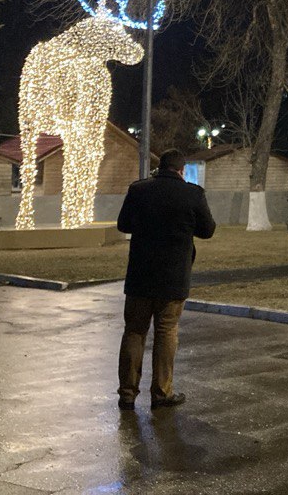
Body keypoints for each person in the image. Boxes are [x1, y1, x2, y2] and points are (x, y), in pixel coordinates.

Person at [116, 148, 215, 411]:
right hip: (173, 278)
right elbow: (208, 230)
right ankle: (161, 393)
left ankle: (127, 393)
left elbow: (123, 225)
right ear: (182, 171)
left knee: (134, 331)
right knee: (166, 332)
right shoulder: (193, 194)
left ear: (160, 168)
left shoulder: (138, 190)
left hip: (140, 275)